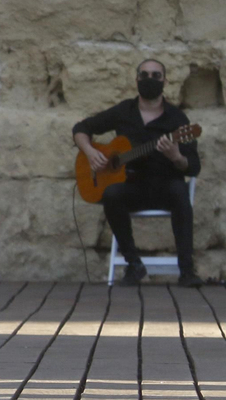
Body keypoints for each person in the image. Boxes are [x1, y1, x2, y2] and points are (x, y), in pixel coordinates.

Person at [74, 59, 203, 287]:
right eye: (144, 75)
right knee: (112, 194)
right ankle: (134, 265)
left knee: (180, 192)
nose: (149, 80)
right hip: (133, 187)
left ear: (164, 81)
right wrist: (90, 152)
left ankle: (187, 271)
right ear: (136, 80)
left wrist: (176, 157)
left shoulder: (177, 120)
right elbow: (81, 128)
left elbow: (193, 166)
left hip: (165, 186)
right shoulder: (124, 111)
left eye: (156, 75)